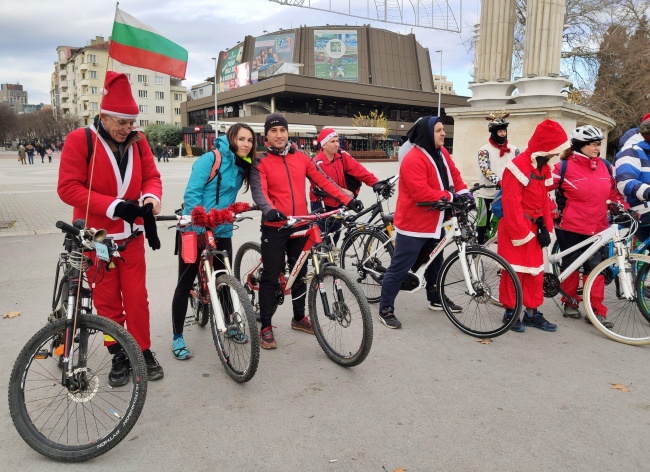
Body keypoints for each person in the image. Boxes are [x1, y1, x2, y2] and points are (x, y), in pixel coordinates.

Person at [57, 71, 164, 384]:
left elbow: (152, 176)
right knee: (106, 301)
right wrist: (116, 206)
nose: (126, 129)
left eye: (131, 123)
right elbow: (68, 188)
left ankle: (142, 350)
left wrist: (150, 198)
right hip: (96, 239)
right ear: (103, 115)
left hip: (131, 237)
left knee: (136, 298)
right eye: (121, 122)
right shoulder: (80, 140)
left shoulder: (139, 142)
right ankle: (118, 353)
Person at [250, 113, 363, 349]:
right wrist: (269, 209)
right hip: (275, 225)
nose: (279, 135)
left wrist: (346, 199)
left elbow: (323, 181)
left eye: (282, 130)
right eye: (274, 131)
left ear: (287, 132)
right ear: (266, 136)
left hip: (301, 222)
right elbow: (259, 192)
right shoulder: (260, 163)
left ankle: (299, 318)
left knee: (301, 273)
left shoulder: (301, 157)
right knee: (271, 277)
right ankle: (266, 327)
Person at [170, 123, 254, 359]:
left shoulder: (242, 165)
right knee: (185, 282)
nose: (246, 144)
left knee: (225, 279)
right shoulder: (211, 159)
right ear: (231, 138)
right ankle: (177, 336)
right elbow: (192, 193)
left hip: (222, 228)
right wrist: (197, 224)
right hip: (194, 227)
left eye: (250, 140)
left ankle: (231, 323)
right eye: (242, 139)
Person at [378, 116, 469, 329]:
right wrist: (450, 196)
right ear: (427, 134)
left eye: (443, 130)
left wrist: (464, 192)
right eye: (438, 130)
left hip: (437, 220)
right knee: (400, 267)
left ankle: (435, 298)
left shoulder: (443, 153)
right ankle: (385, 308)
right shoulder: (413, 159)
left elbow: (454, 175)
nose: (443, 133)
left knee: (435, 262)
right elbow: (420, 192)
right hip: (414, 223)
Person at [498, 119, 569, 333]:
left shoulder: (543, 168)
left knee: (535, 273)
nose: (556, 155)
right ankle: (511, 312)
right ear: (546, 147)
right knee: (514, 272)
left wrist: (547, 228)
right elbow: (511, 203)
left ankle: (531, 313)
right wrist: (520, 232)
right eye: (554, 150)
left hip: (535, 228)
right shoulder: (517, 167)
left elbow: (545, 201)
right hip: (517, 228)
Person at [552, 125, 622, 329]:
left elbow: (612, 192)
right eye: (593, 144)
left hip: (598, 225)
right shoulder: (562, 166)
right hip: (571, 225)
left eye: (598, 143)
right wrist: (551, 209)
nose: (597, 147)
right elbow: (546, 189)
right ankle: (570, 301)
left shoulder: (605, 165)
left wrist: (620, 205)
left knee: (596, 269)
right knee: (571, 265)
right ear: (580, 145)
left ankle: (596, 310)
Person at [309, 128, 383, 243]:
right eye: (332, 142)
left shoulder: (341, 155)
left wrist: (375, 182)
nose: (336, 144)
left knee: (336, 234)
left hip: (338, 202)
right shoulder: (317, 162)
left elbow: (358, 170)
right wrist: (343, 191)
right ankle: (321, 258)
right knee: (322, 238)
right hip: (321, 203)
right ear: (323, 145)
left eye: (337, 141)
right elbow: (323, 185)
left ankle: (333, 256)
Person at [474, 113, 520, 244]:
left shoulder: (514, 150)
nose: (503, 134)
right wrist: (499, 181)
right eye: (500, 131)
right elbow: (485, 170)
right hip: (487, 193)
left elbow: (519, 167)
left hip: (507, 193)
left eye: (504, 130)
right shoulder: (484, 150)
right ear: (493, 132)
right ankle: (477, 250)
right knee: (482, 223)